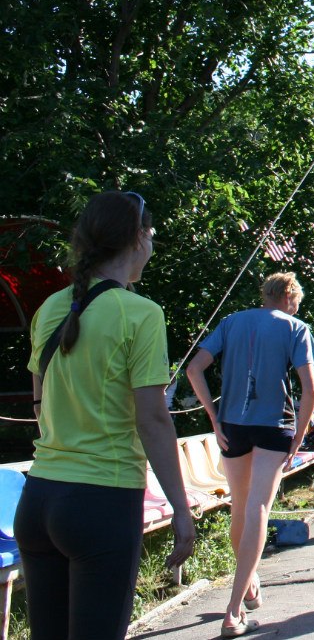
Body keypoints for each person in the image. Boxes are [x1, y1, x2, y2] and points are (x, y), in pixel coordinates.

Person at [16, 191, 195, 640]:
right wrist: (180, 507)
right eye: (151, 235)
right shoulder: (141, 314)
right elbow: (152, 420)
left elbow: (40, 405)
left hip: (38, 499)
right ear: (137, 238)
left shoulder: (51, 308)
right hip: (101, 500)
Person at [187, 271, 314, 638]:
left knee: (241, 508)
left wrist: (213, 418)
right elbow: (309, 390)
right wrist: (301, 435)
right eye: (297, 301)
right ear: (289, 296)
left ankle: (250, 581)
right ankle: (232, 612)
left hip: (233, 424)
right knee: (259, 508)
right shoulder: (295, 328)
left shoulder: (232, 322)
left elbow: (194, 368)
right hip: (275, 426)